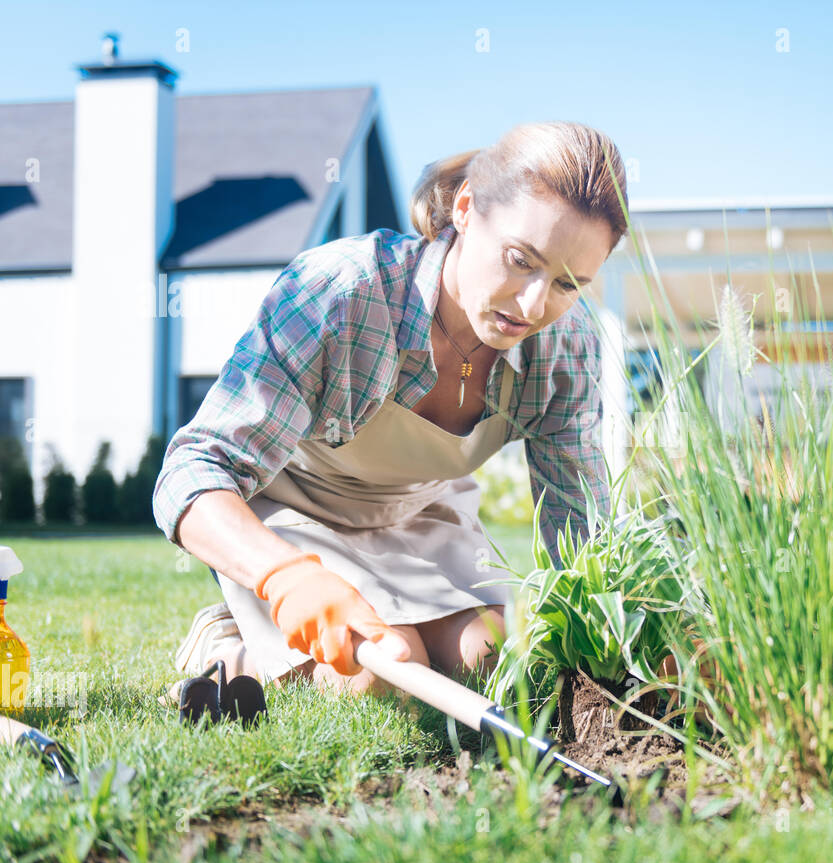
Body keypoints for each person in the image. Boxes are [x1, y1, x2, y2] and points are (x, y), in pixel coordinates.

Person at [153, 120, 628, 700]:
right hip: (293, 509)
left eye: (567, 283)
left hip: (418, 513)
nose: (533, 305)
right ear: (467, 207)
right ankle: (232, 647)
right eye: (519, 259)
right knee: (383, 673)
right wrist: (284, 577)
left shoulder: (566, 344)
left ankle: (273, 645)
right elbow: (191, 471)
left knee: (493, 658)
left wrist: (629, 640)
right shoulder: (342, 294)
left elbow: (579, 526)